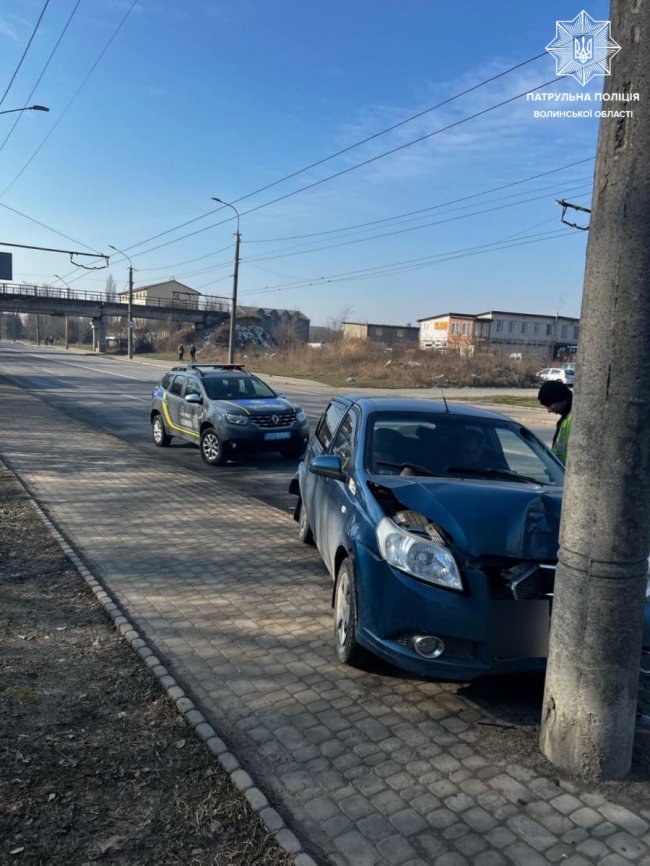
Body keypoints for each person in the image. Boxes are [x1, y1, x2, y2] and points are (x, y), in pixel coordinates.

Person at [538, 380, 572, 463]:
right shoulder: (566, 417)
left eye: (549, 405)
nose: (549, 410)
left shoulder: (574, 418)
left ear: (559, 398)